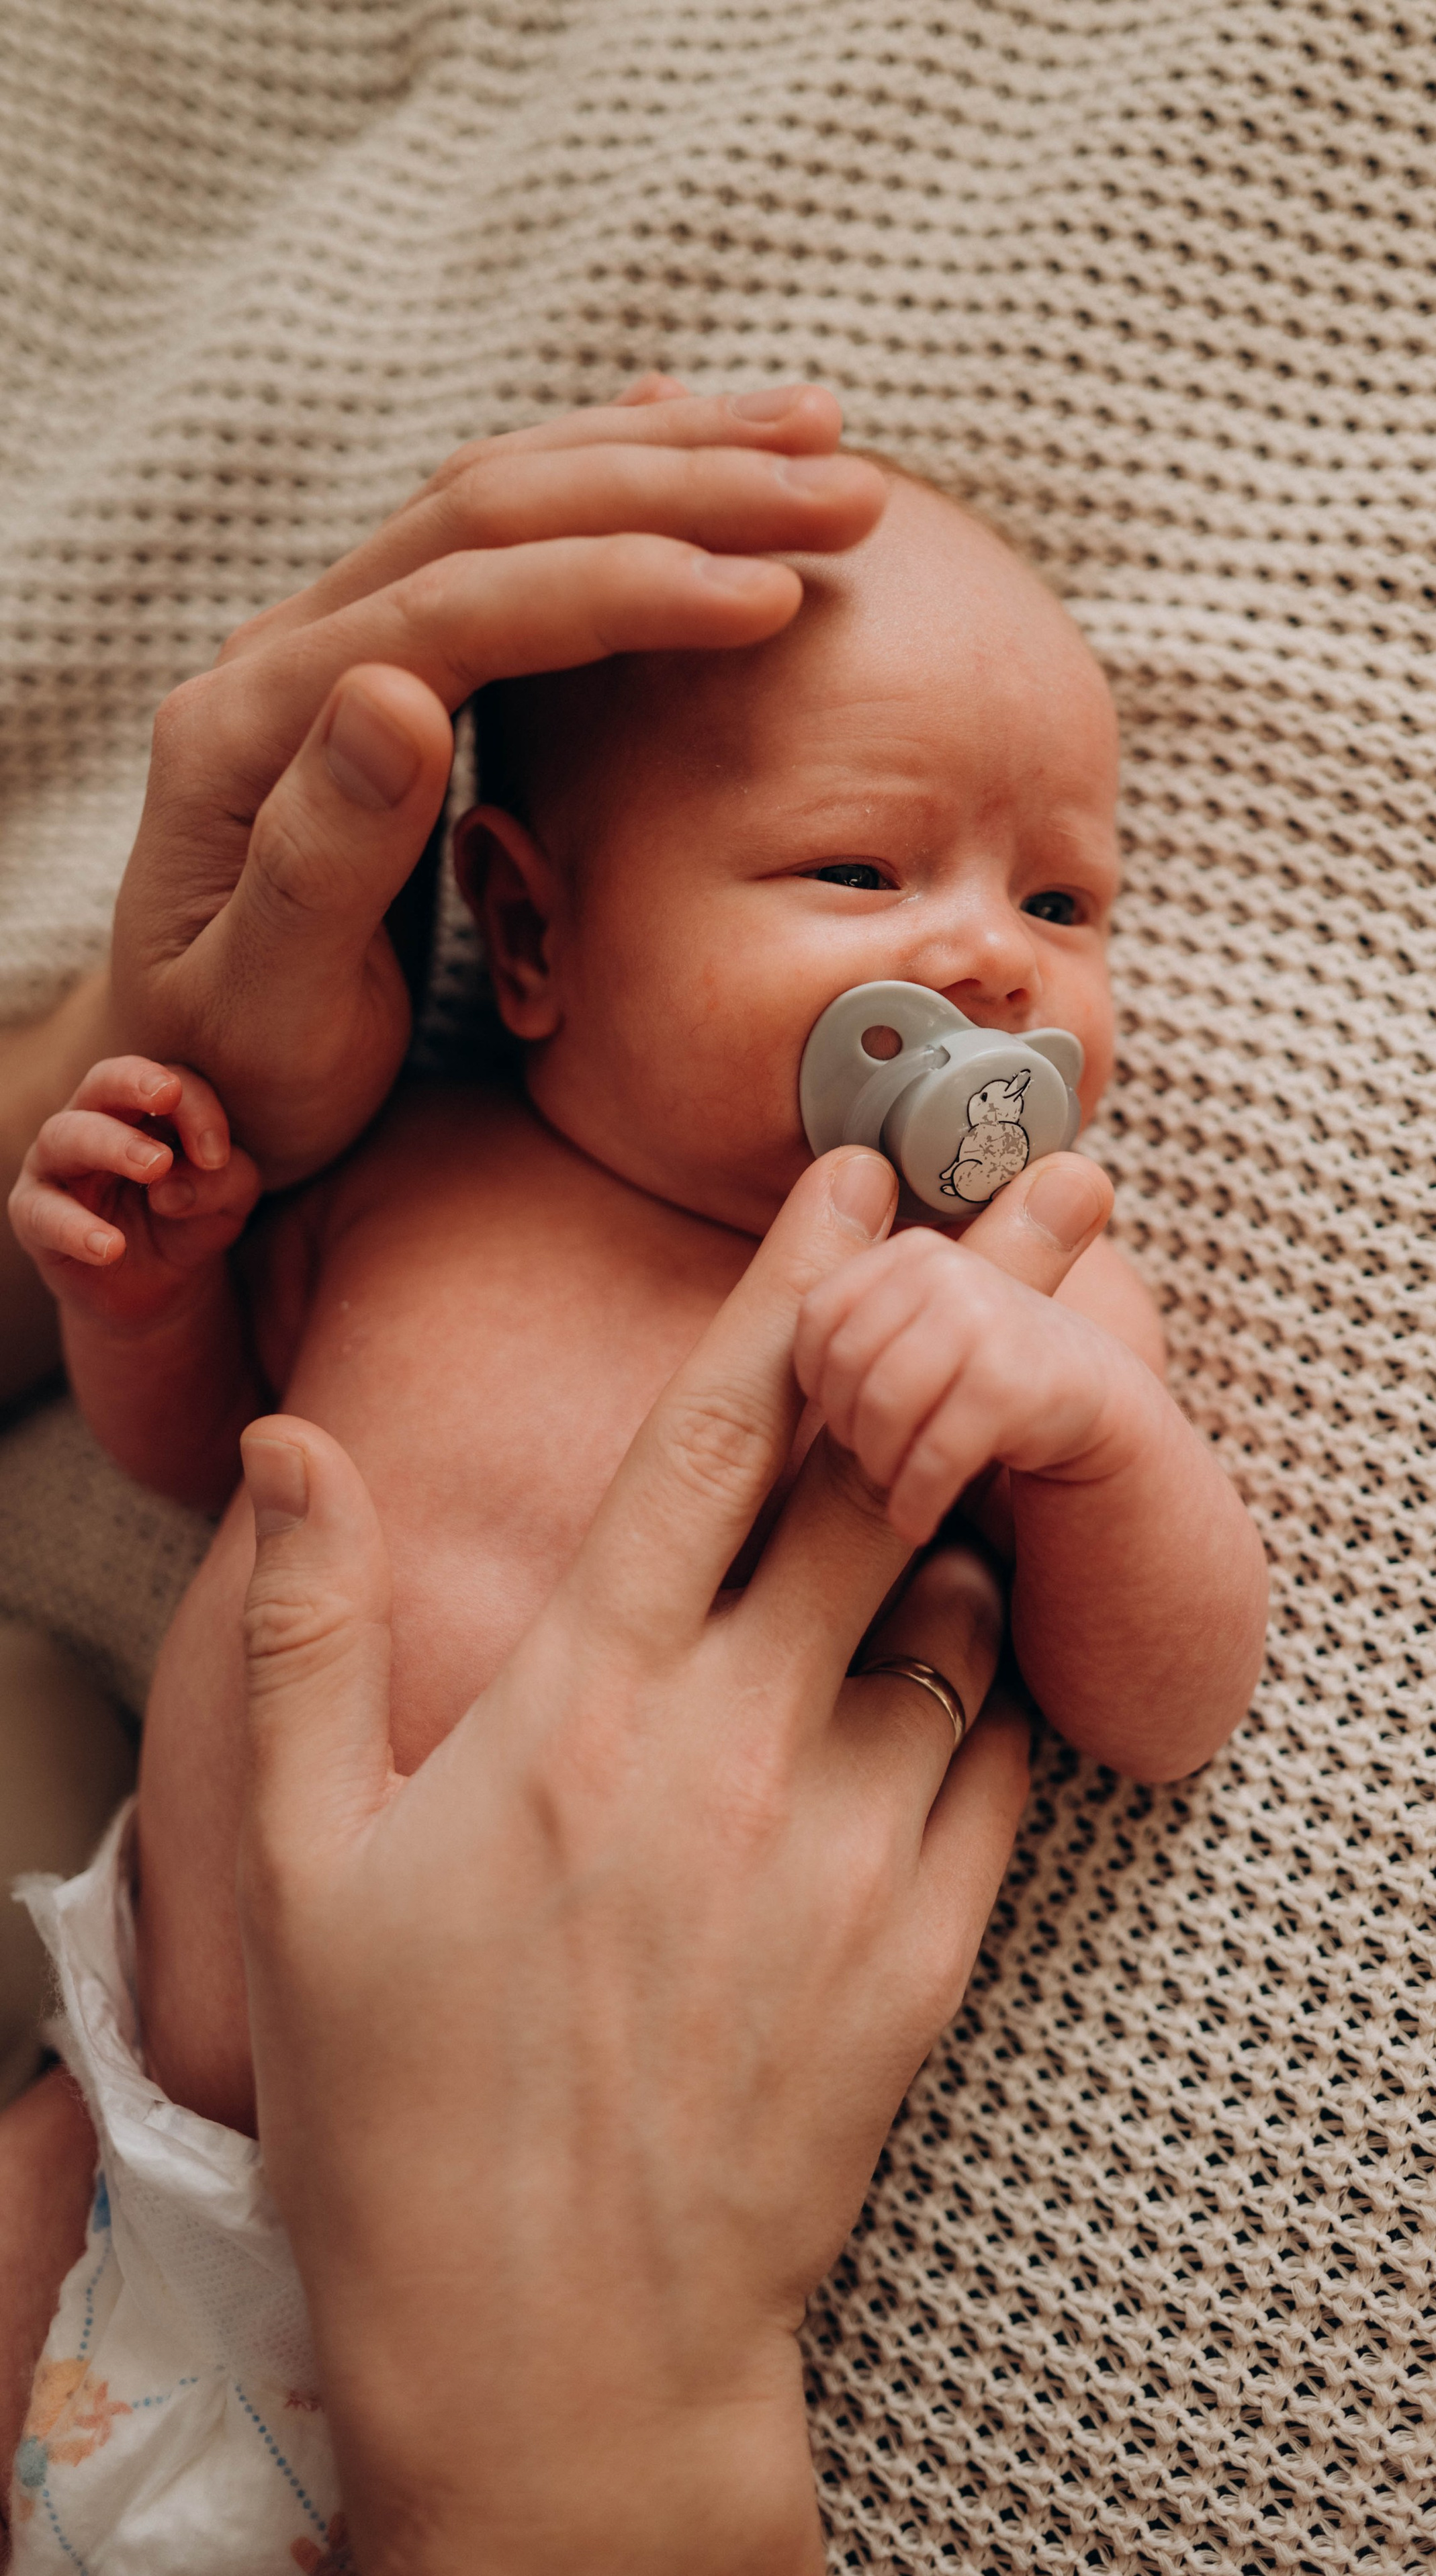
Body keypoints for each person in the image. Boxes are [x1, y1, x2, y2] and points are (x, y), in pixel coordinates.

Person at [8, 421, 1267, 2559]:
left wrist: (1083, 1430)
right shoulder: (408, 1173)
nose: (988, 960)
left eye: (1063, 896)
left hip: (527, 2252)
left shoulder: (1005, 1279)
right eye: (863, 872)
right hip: (130, 2126)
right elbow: (203, 1449)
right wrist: (145, 1278)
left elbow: (1171, 1692)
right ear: (527, 934)